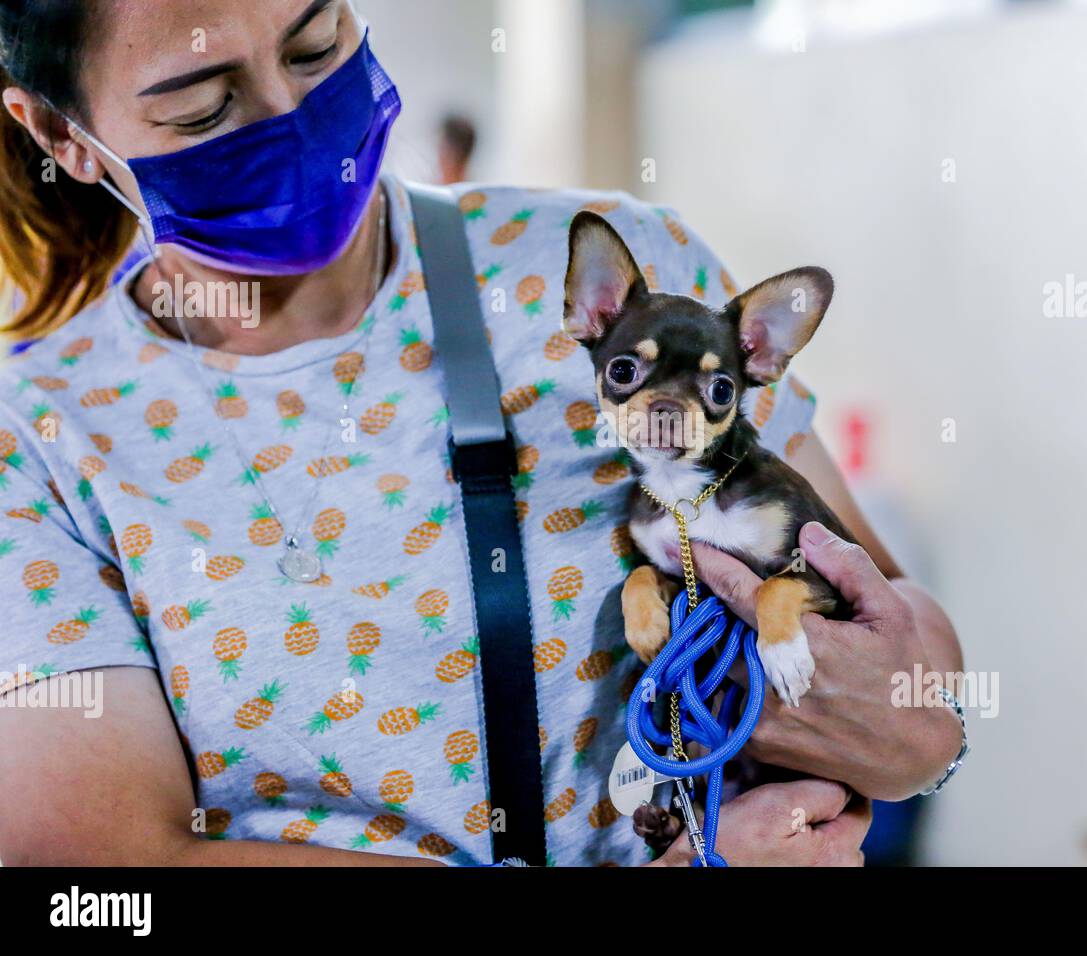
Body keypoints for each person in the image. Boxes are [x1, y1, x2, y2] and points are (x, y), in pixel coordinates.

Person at [0, 0, 963, 867]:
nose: (294, 118)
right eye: (203, 106)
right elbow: (103, 875)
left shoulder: (605, 277)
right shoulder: (40, 435)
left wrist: (917, 729)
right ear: (61, 134)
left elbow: (892, 624)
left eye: (316, 43)